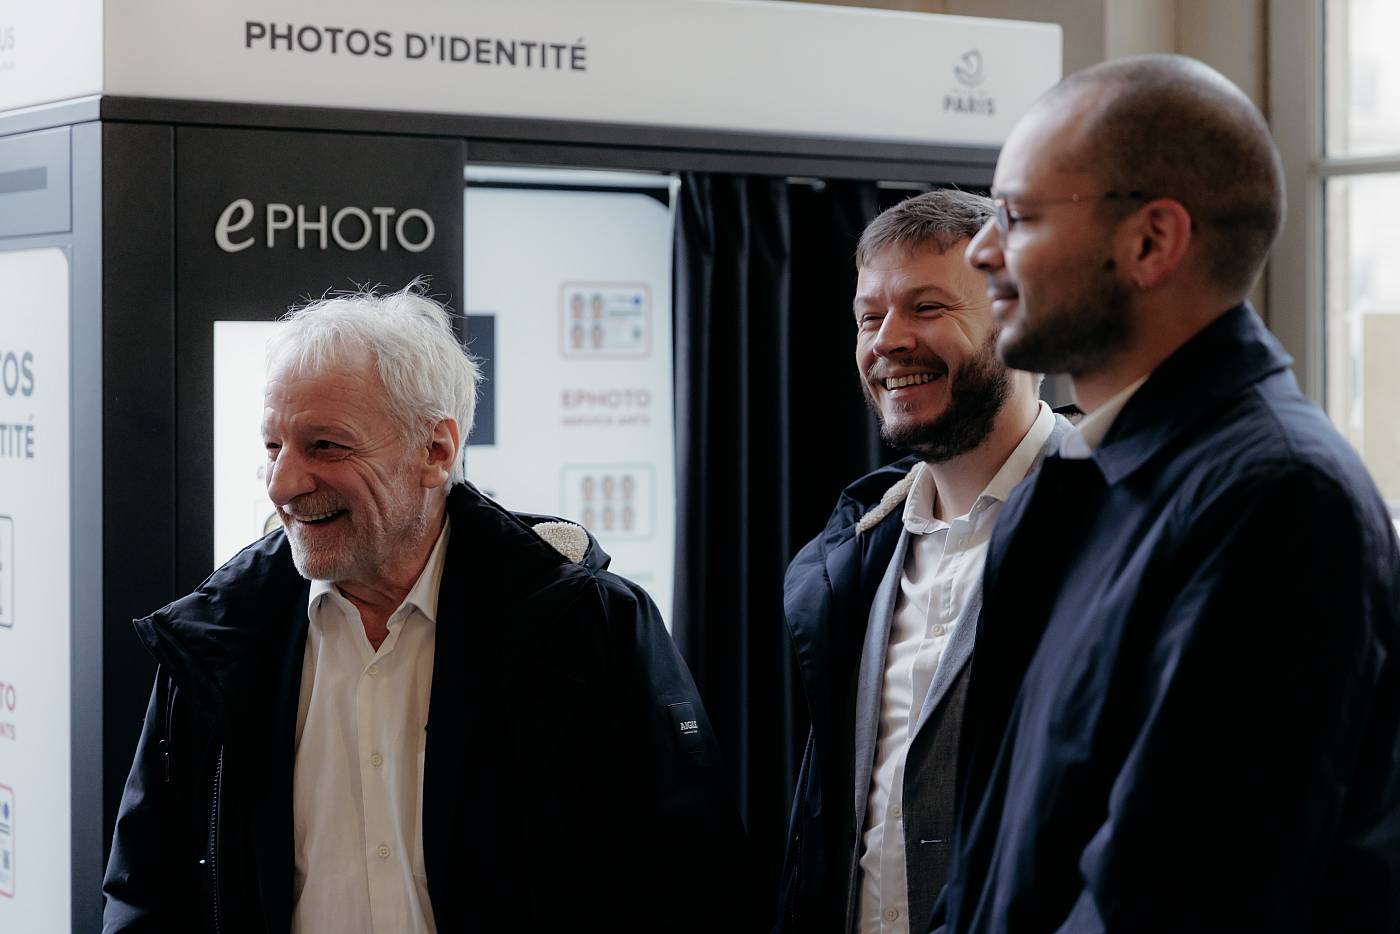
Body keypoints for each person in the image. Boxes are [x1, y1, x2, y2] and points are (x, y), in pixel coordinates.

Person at [102, 284, 751, 933]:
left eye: (325, 446)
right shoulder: (218, 643)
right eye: (274, 447)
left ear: (436, 451)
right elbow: (147, 892)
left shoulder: (586, 629)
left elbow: (689, 883)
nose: (283, 484)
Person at [932, 54, 1400, 932]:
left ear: (1152, 242)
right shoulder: (1079, 476)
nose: (982, 250)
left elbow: (1181, 891)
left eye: (1018, 217)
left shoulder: (1281, 501)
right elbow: (998, 844)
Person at [776, 190, 1074, 934]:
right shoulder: (850, 560)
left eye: (928, 308)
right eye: (869, 317)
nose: (887, 341)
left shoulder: (1117, 530)